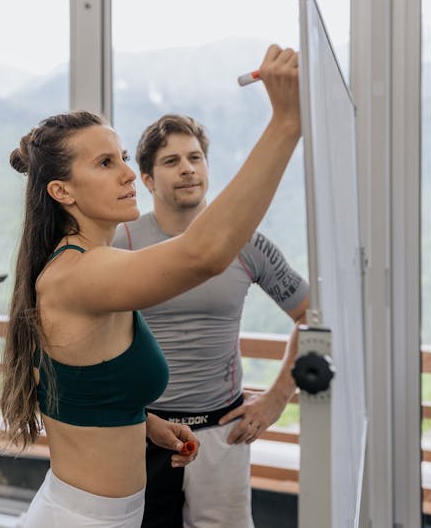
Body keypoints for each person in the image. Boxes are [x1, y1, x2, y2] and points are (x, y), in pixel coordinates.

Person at [0, 45, 301, 527]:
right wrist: (286, 124)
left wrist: (147, 424)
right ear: (62, 191)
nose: (125, 173)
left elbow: (81, 390)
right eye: (104, 164)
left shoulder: (94, 264)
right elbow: (203, 253)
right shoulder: (80, 274)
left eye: (120, 157)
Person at [113, 114, 309, 528]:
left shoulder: (247, 243)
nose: (187, 168)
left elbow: (311, 316)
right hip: (142, 429)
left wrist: (276, 399)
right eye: (171, 161)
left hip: (221, 430)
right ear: (147, 179)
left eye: (195, 158)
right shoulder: (121, 243)